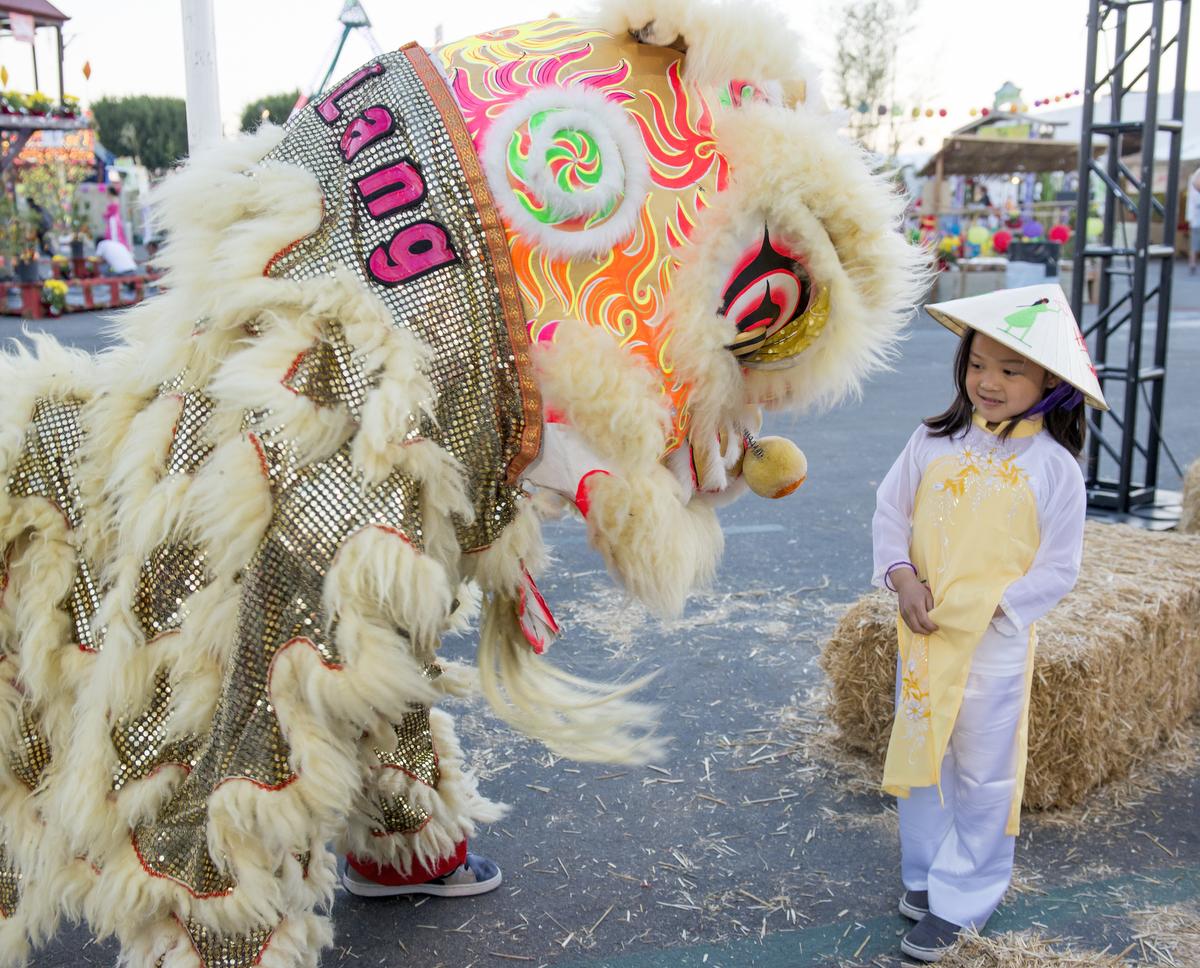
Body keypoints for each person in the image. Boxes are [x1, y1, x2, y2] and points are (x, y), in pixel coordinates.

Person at [871, 285, 1107, 963]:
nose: (989, 381)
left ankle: (964, 895)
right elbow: (890, 513)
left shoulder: (1055, 469)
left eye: (1012, 369)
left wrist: (991, 608)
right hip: (921, 639)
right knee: (923, 758)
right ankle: (923, 875)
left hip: (994, 648)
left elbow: (1058, 569)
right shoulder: (931, 440)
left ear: (1050, 384)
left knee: (981, 771)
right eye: (978, 364)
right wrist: (902, 577)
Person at [1186, 168, 1200, 274]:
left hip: (1195, 217)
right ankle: (1192, 262)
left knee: (1194, 242)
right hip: (1196, 217)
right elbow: (1196, 183)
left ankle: (1192, 262)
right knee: (1194, 242)